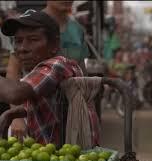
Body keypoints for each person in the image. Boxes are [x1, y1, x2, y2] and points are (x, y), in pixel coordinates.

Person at [0, 10, 83, 145]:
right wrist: (14, 113)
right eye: (18, 41)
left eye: (33, 40)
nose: (22, 48)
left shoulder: (56, 66)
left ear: (54, 45)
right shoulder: (43, 72)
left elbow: (14, 94)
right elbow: (51, 105)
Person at [6, 1, 90, 139]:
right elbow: (12, 72)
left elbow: (83, 76)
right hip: (32, 113)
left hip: (69, 116)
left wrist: (85, 113)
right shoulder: (29, 20)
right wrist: (17, 117)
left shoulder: (77, 30)